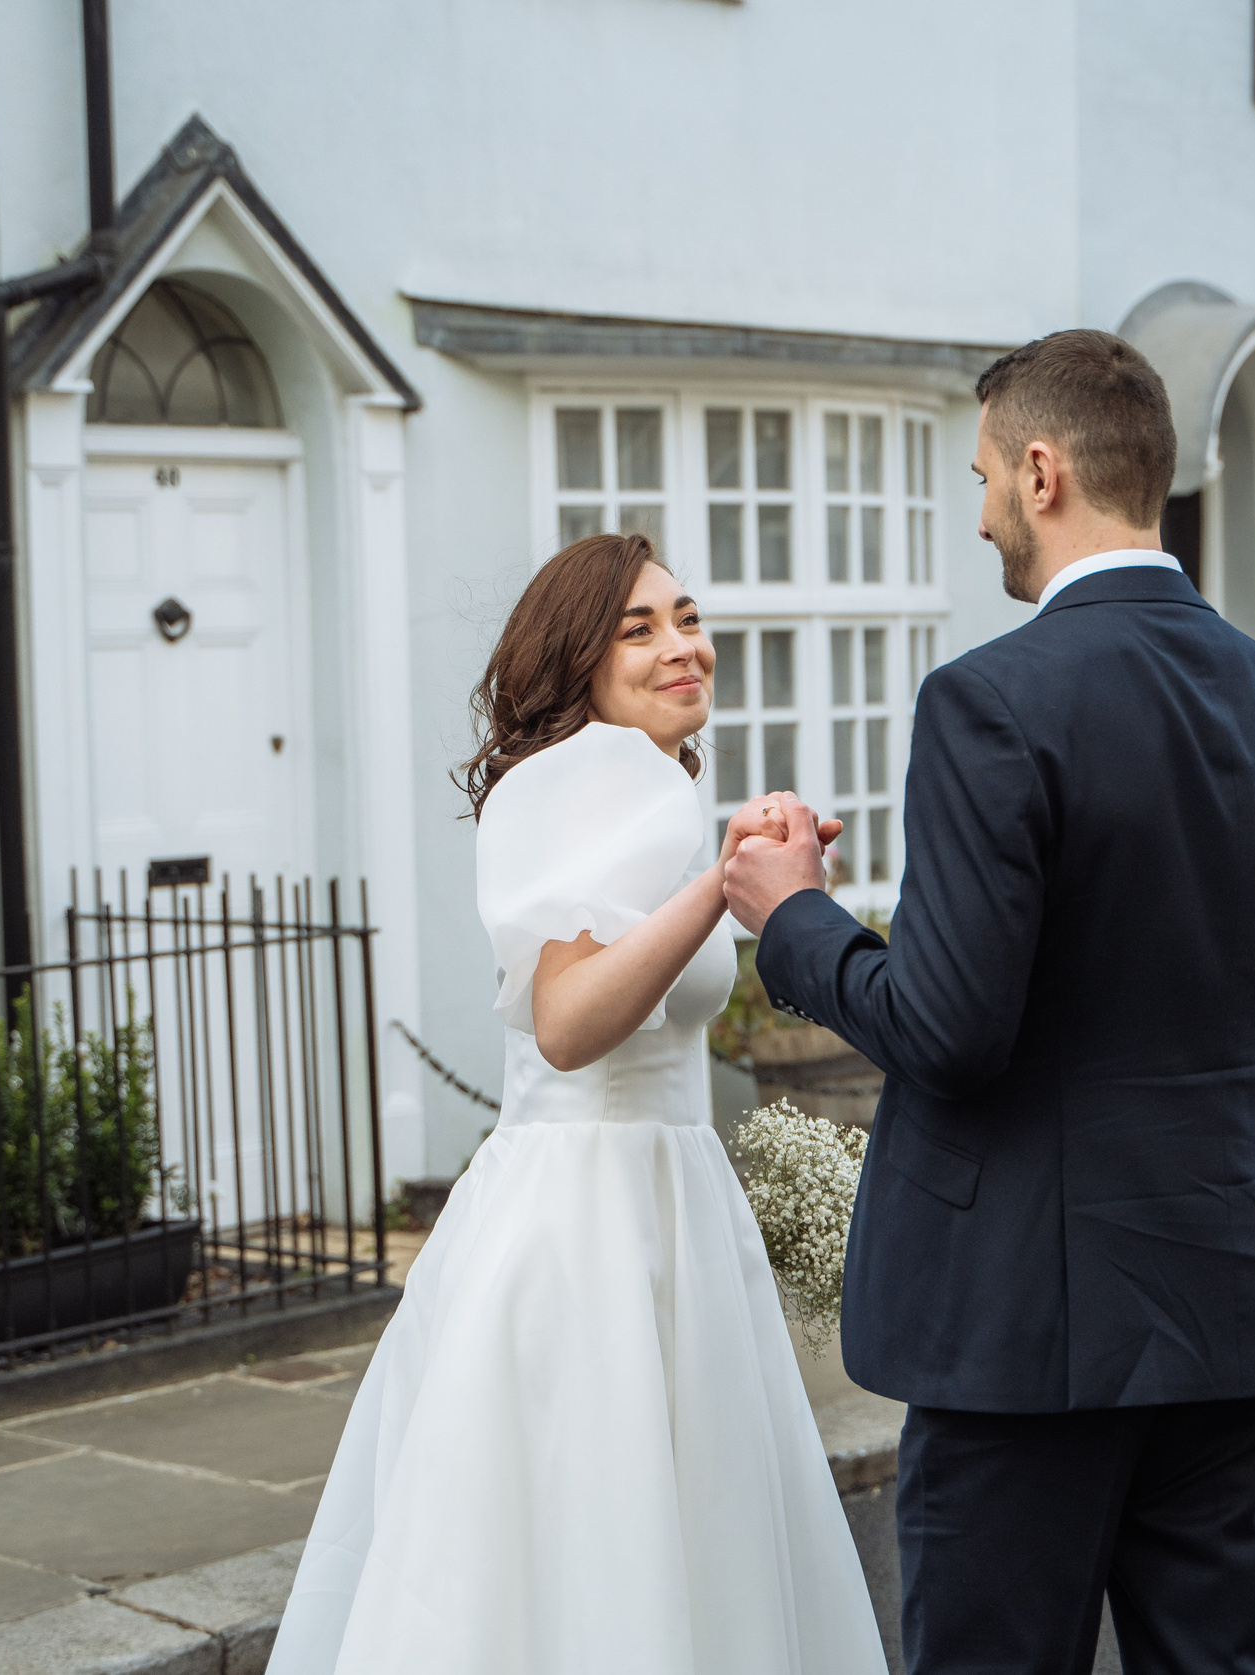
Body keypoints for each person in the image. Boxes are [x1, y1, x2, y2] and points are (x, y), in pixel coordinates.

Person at [725, 329, 1255, 1675]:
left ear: (1042, 466)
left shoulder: (992, 702)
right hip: (1236, 1303)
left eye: (980, 480)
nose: (978, 516)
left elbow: (955, 1024)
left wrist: (794, 917)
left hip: (1028, 1336)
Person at [265, 534, 885, 1675]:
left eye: (686, 619)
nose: (680, 647)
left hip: (634, 1193)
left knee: (573, 1551)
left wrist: (755, 882)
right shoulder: (614, 779)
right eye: (637, 629)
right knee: (618, 1538)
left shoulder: (617, 782)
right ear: (577, 660)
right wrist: (721, 884)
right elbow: (567, 1022)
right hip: (596, 1215)